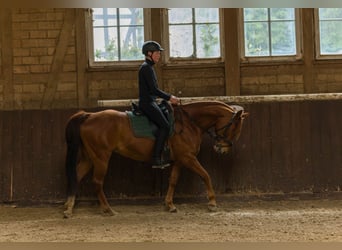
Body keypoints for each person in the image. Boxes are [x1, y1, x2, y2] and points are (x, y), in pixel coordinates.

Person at [138, 41, 180, 168]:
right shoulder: (146, 68)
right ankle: (156, 158)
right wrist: (170, 97)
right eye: (157, 53)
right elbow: (153, 90)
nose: (159, 56)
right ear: (149, 53)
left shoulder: (149, 67)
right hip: (147, 104)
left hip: (151, 101)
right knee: (165, 127)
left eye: (159, 54)